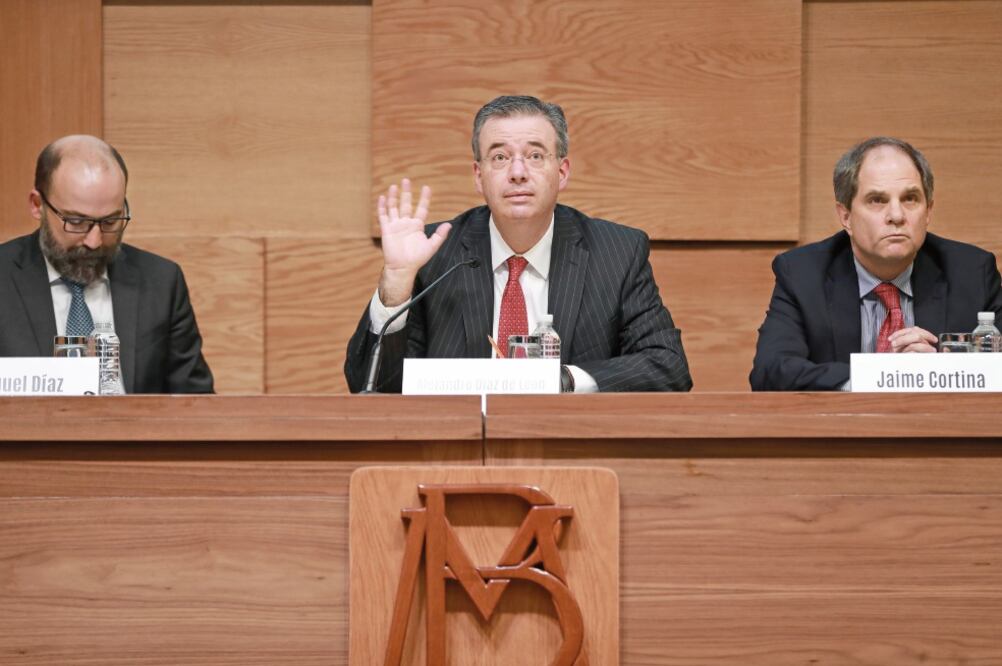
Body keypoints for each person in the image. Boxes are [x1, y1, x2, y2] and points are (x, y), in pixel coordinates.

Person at [345, 95, 692, 393]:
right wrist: (396, 282)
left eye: (536, 155)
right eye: (499, 157)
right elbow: (371, 385)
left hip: (570, 443)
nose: (518, 172)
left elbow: (668, 366)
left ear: (562, 172)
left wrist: (563, 380)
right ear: (479, 176)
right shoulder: (434, 255)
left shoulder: (616, 253)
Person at [750, 136, 1002, 391]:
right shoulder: (803, 274)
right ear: (846, 216)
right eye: (877, 200)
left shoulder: (972, 274)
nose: (896, 215)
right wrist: (881, 376)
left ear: (928, 211)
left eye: (910, 198)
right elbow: (770, 371)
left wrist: (937, 372)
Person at [0, 135, 214, 393]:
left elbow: (195, 401)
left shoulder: (161, 282)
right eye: (76, 222)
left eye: (110, 222)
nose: (94, 241)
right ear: (37, 205)